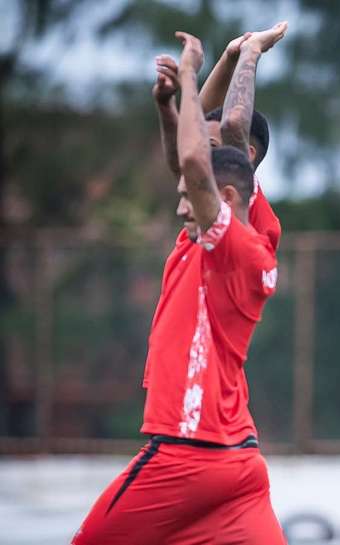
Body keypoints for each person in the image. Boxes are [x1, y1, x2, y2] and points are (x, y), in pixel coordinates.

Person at [72, 30, 287, 545]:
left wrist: (228, 62)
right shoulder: (211, 227)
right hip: (237, 456)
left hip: (190, 449)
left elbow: (219, 134)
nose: (184, 197)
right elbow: (187, 157)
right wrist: (175, 101)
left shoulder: (244, 228)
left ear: (239, 167)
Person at [153, 23, 287, 251]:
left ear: (247, 155)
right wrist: (229, 57)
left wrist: (252, 51)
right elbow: (198, 126)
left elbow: (233, 126)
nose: (200, 150)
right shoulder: (203, 201)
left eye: (211, 146)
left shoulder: (241, 200)